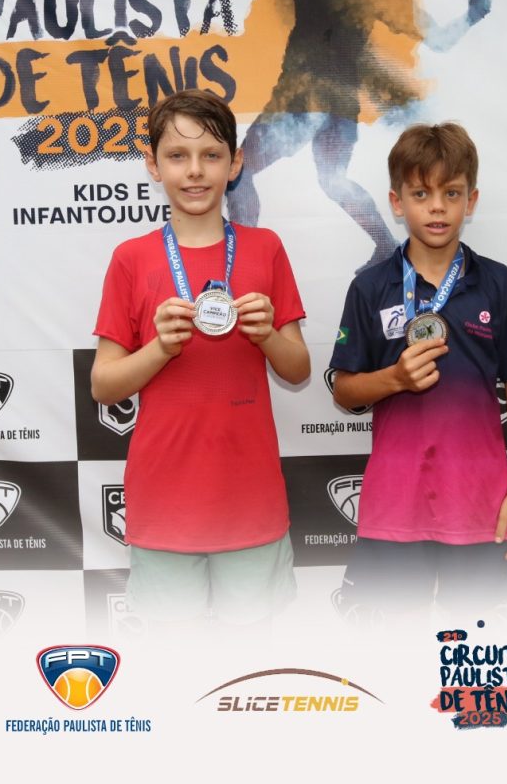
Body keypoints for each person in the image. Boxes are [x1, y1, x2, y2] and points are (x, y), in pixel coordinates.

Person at [91, 89, 310, 630]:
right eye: (177, 156)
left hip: (251, 502)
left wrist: (267, 335)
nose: (194, 171)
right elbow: (104, 385)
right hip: (164, 504)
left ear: (235, 164)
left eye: (211, 155)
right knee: (174, 663)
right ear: (153, 165)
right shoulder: (131, 258)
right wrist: (159, 348)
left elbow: (298, 369)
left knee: (255, 661)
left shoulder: (265, 248)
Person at [329, 122, 507, 621]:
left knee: (476, 645)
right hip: (394, 503)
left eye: (451, 193)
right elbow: (344, 390)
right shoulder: (370, 287)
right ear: (396, 202)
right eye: (421, 193)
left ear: (471, 201)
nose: (437, 207)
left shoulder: (497, 283)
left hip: (480, 501)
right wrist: (395, 379)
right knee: (393, 647)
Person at [227, 0, 491, 271]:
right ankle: (386, 245)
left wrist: (472, 15)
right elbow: (440, 40)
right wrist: (472, 15)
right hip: (340, 108)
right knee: (333, 180)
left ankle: (243, 259)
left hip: (302, 101)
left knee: (237, 172)